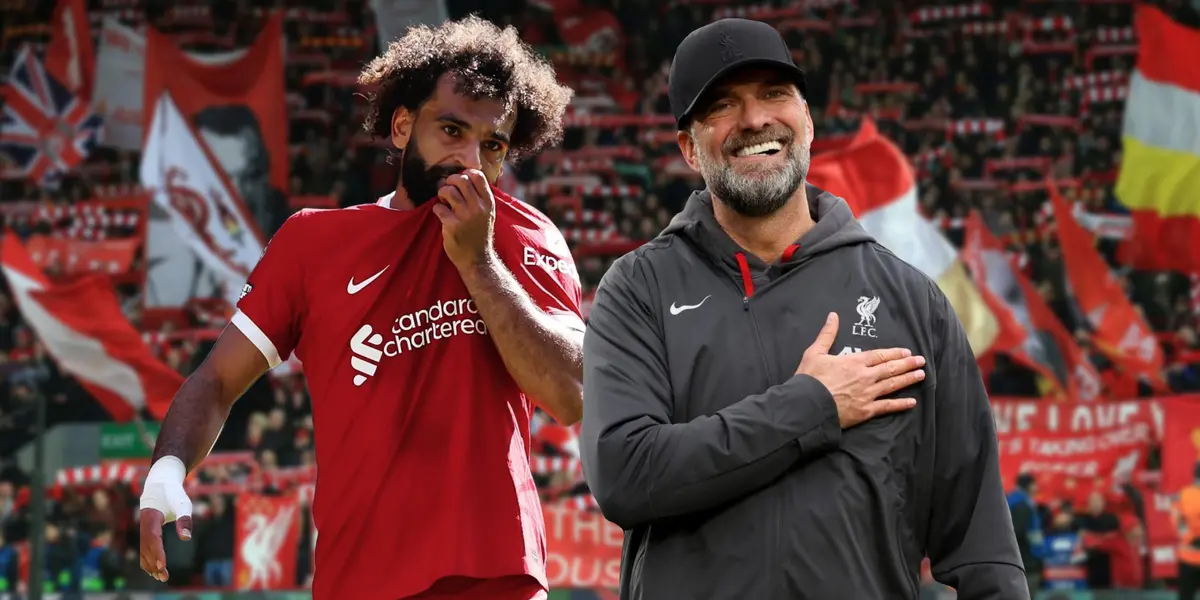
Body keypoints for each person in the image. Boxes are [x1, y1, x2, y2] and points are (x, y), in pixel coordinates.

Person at [579, 18, 1025, 600]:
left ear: (808, 121)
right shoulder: (638, 288)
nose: (753, 119)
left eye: (774, 93)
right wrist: (813, 405)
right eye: (722, 105)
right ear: (688, 147)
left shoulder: (913, 302)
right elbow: (624, 473)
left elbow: (982, 548)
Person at [137, 17, 581, 600]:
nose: (471, 160)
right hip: (357, 581)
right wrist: (167, 468)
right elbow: (217, 381)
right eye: (451, 129)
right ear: (402, 126)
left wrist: (479, 263)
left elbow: (571, 393)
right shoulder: (313, 244)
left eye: (492, 145)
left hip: (496, 579)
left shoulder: (525, 235)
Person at [1008, 473, 1047, 594]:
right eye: (1034, 484)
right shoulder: (1022, 505)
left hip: (1019, 560)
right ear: (1029, 486)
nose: (1037, 487)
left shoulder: (1013, 501)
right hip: (1027, 561)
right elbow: (1017, 532)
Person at [1175, 462, 1200, 598]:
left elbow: (1178, 523)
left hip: (1187, 557)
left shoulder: (1183, 495)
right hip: (1188, 556)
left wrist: (1189, 537)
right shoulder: (1184, 495)